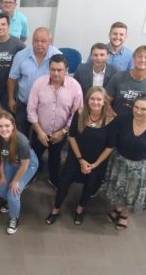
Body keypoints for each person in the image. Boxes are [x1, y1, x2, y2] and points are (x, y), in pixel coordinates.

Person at [46, 87, 116, 226]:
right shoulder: (79, 113)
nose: (95, 102)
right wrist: (80, 160)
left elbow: (110, 146)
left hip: (96, 161)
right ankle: (56, 209)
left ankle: (80, 209)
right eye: (92, 99)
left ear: (104, 102)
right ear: (87, 100)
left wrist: (94, 164)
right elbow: (71, 137)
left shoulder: (111, 120)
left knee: (90, 186)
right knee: (64, 183)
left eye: (99, 99)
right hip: (76, 157)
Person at [103, 95, 146, 230]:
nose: (138, 112)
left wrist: (145, 147)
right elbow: (113, 138)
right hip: (121, 161)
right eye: (136, 107)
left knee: (132, 192)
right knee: (118, 188)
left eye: (143, 109)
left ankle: (124, 214)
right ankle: (117, 208)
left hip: (142, 165)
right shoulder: (122, 119)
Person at [27, 54, 83, 186]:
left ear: (67, 70)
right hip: (39, 130)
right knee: (35, 156)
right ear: (49, 69)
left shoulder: (75, 86)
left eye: (60, 70)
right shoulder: (39, 83)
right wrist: (39, 132)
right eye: (53, 69)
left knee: (55, 158)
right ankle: (32, 175)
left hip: (60, 133)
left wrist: (63, 132)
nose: (56, 73)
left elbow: (77, 114)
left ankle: (53, 179)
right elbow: (31, 109)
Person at [0, 112, 38, 234]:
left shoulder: (21, 141)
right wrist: (2, 176)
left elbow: (25, 164)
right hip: (11, 161)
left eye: (7, 125)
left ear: (13, 126)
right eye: (0, 126)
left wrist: (16, 181)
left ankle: (14, 218)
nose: (4, 129)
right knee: (2, 190)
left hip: (27, 165)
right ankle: (10, 203)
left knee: (13, 193)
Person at [8, 27, 60, 136]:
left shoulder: (58, 57)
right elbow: (12, 79)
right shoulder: (21, 55)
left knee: (41, 137)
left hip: (46, 106)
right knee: (21, 135)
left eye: (43, 41)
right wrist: (11, 99)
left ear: (50, 42)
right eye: (36, 40)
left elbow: (63, 80)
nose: (39, 44)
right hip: (24, 104)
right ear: (32, 41)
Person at [106, 45, 146, 117]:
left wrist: (142, 121)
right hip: (117, 120)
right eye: (140, 56)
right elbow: (106, 100)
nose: (143, 60)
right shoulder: (118, 77)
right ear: (133, 58)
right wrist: (113, 116)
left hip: (140, 121)